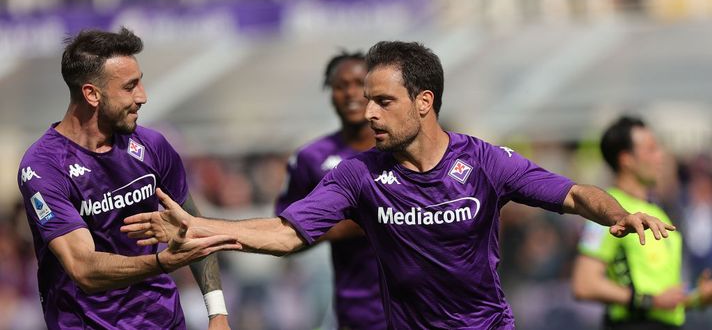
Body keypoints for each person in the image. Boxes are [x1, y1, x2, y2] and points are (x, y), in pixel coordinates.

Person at [123, 41, 675, 329]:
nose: (368, 113)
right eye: (365, 100)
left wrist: (616, 214)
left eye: (382, 101)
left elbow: (575, 194)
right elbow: (289, 233)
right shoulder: (359, 174)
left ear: (423, 101)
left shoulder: (483, 161)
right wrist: (205, 229)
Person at [17, 27, 240, 329]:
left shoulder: (153, 146)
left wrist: (218, 315)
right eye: (130, 86)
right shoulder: (44, 166)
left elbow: (194, 229)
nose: (143, 96)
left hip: (164, 321)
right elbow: (83, 268)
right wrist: (161, 263)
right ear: (91, 94)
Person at [274, 51, 386, 329]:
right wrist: (354, 222)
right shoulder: (311, 158)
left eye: (359, 83)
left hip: (422, 304)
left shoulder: (402, 149)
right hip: (358, 307)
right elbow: (282, 230)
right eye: (340, 85)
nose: (350, 93)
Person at [572, 116, 712, 330]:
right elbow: (585, 284)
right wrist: (649, 301)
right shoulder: (608, 211)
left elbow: (662, 297)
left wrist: (696, 298)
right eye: (651, 149)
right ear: (626, 159)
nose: (661, 157)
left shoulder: (657, 212)